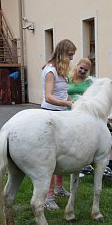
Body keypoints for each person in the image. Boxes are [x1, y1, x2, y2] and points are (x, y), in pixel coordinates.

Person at [41, 39, 76, 210]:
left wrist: (75, 101)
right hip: (50, 114)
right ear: (62, 54)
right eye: (70, 56)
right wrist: (67, 104)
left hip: (62, 114)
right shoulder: (50, 71)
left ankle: (59, 188)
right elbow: (49, 97)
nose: (71, 60)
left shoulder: (62, 72)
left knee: (61, 154)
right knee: (50, 157)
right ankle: (48, 197)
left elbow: (62, 94)